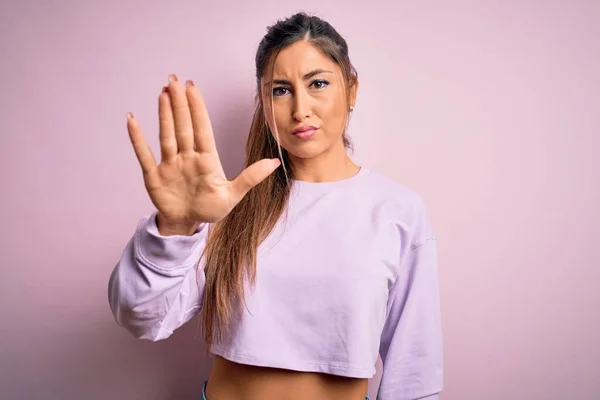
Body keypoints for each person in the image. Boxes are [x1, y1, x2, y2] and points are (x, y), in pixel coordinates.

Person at [108, 12, 443, 400]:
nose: (300, 109)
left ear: (351, 89)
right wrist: (176, 225)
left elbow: (414, 370)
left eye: (318, 83)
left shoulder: (396, 209)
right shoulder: (227, 203)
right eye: (280, 90)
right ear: (263, 104)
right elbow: (141, 317)